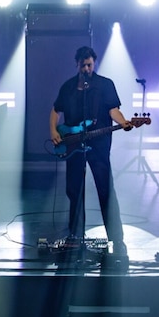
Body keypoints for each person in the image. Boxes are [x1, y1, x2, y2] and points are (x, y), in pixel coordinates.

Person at [49, 46, 131, 254]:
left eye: (90, 65)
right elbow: (55, 110)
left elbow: (114, 110)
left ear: (94, 63)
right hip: (73, 144)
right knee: (74, 191)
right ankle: (75, 235)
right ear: (77, 64)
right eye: (83, 65)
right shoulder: (68, 87)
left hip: (99, 144)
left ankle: (116, 237)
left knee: (105, 190)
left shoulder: (104, 85)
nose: (87, 68)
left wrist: (124, 122)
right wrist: (53, 131)